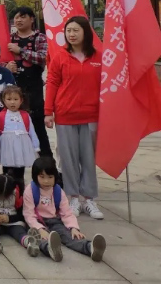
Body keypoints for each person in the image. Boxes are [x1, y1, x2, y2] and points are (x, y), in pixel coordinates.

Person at [44, 16, 104, 219]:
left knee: (88, 157)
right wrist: (48, 111)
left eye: (76, 30)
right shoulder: (60, 56)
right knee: (68, 159)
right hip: (65, 115)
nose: (71, 34)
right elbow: (52, 83)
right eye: (68, 30)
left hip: (91, 115)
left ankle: (89, 199)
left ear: (86, 32)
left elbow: (107, 84)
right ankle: (73, 198)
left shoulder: (99, 57)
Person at [23, 157, 106, 262]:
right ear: (35, 176)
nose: (46, 181)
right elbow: (29, 215)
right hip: (37, 222)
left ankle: (90, 247)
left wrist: (73, 228)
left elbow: (67, 213)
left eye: (50, 177)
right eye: (42, 177)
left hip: (55, 221)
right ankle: (50, 249)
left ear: (55, 176)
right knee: (39, 238)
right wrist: (40, 229)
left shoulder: (58, 191)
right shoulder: (30, 190)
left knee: (70, 236)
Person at [6, 7, 53, 158]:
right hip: (13, 92)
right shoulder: (9, 38)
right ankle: (16, 166)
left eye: (23, 17)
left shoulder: (40, 38)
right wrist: (6, 67)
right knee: (14, 129)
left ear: (32, 19)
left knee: (38, 130)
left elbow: (43, 57)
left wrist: (21, 51)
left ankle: (47, 165)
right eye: (16, 17)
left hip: (34, 90)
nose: (18, 20)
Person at [0, 173, 39, 256]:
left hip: (13, 223)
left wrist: (9, 218)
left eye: (6, 196)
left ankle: (29, 243)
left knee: (19, 232)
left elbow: (22, 214)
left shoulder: (17, 194)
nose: (2, 198)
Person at [0, 86, 39, 184]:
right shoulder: (1, 116)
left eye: (15, 99)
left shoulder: (25, 115)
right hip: (7, 149)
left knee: (20, 171)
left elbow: (31, 131)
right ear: (3, 100)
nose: (12, 102)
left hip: (21, 148)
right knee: (7, 170)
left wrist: (36, 147)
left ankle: (20, 188)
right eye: (9, 99)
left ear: (21, 100)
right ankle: (7, 188)